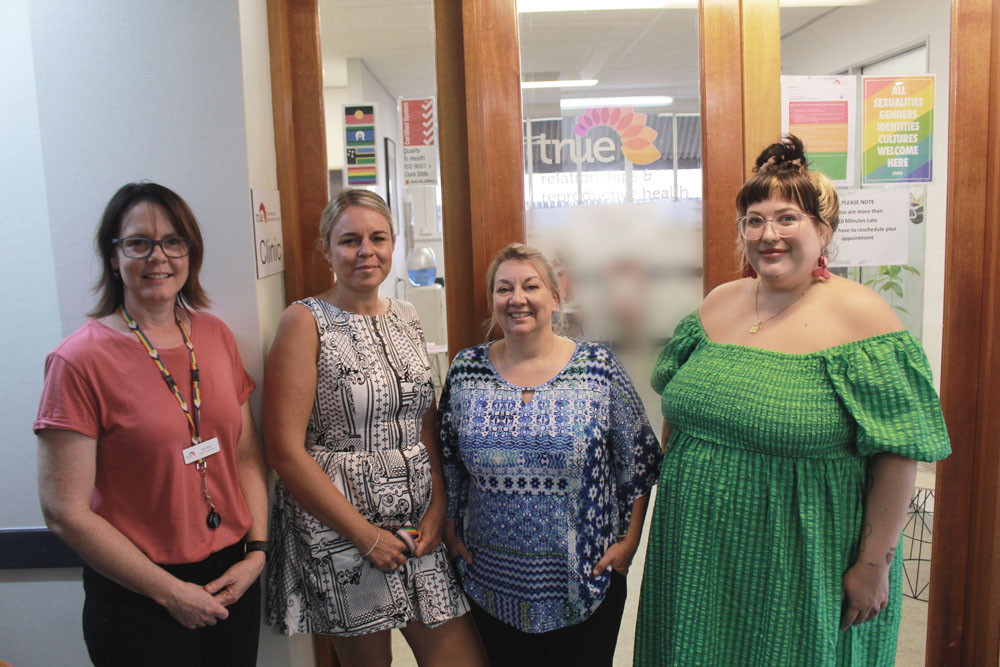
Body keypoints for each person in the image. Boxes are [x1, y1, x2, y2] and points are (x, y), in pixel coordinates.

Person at [633, 136, 951, 665]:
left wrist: (873, 566)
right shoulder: (718, 303)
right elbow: (678, 412)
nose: (768, 234)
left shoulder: (864, 320)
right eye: (753, 221)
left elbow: (899, 454)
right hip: (694, 549)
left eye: (786, 219)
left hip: (802, 557)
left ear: (822, 230)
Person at [34, 182, 269, 667]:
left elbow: (244, 454)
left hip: (232, 578)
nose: (157, 256)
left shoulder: (215, 334)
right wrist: (169, 593)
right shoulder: (78, 361)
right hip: (139, 593)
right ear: (113, 255)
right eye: (138, 242)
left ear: (190, 253)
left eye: (173, 241)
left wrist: (257, 553)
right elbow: (64, 512)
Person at [264, 189, 484, 666]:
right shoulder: (305, 322)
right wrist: (364, 535)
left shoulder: (406, 315)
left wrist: (437, 508)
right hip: (341, 530)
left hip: (416, 524)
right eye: (350, 240)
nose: (366, 251)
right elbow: (284, 450)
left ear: (393, 244)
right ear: (326, 249)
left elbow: (424, 423)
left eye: (378, 238)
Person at [439, 243, 662, 666]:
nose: (517, 299)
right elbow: (448, 459)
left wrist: (629, 542)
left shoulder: (596, 367)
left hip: (585, 582)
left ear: (554, 299)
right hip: (491, 584)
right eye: (504, 289)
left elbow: (640, 457)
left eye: (530, 286)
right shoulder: (466, 371)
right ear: (493, 302)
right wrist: (450, 528)